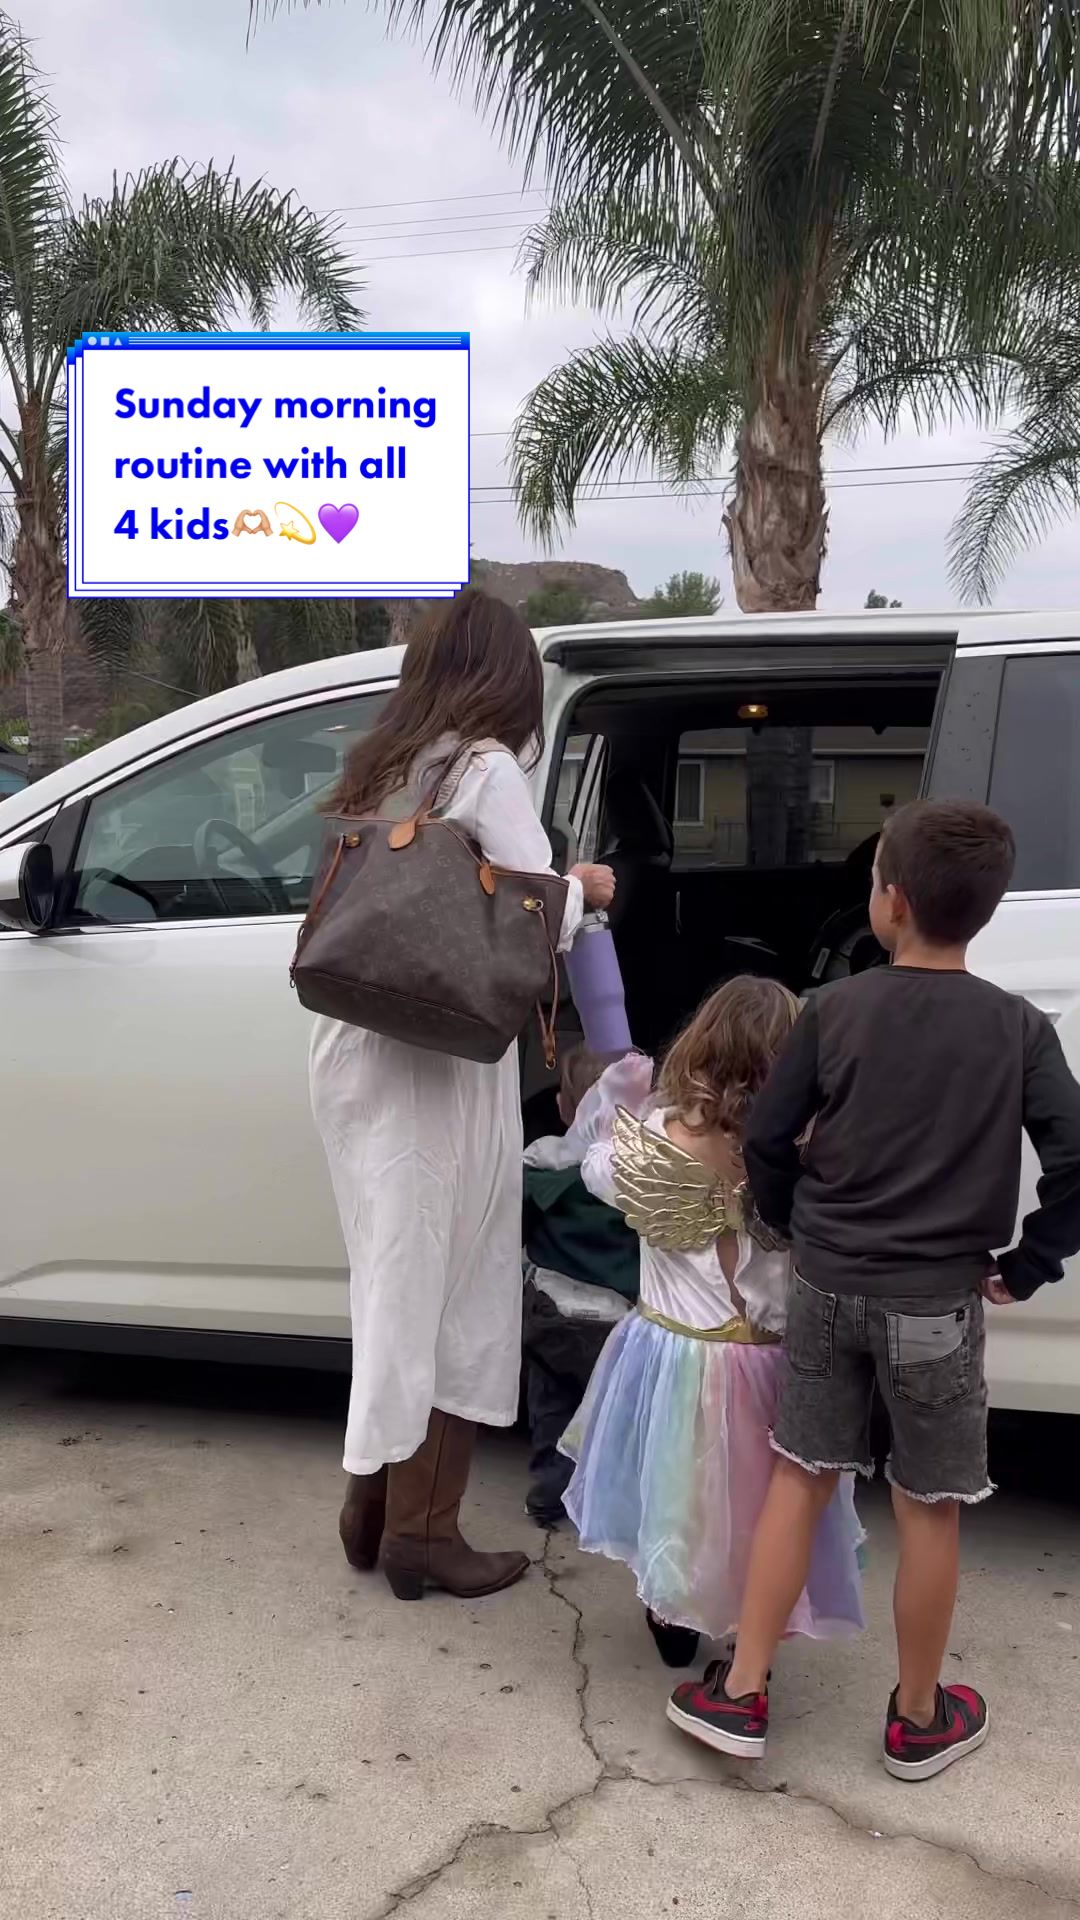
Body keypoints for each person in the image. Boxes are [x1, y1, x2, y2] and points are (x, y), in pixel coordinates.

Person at [668, 800, 1080, 1777]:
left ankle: (741, 1693)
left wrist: (790, 1223)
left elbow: (770, 1140)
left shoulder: (836, 1010)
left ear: (890, 903)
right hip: (937, 1304)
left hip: (826, 1288)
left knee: (801, 1477)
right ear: (982, 910)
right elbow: (1077, 1161)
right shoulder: (1018, 1029)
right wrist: (1027, 1263)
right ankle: (919, 1718)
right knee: (930, 1503)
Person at [312, 588, 615, 1602]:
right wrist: (586, 888)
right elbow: (537, 911)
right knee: (453, 1288)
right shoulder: (483, 767)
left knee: (390, 1280)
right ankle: (424, 1531)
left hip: (357, 1047)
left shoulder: (386, 762)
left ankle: (371, 1502)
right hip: (437, 1060)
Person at [560, 979, 865, 1669]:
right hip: (771, 1360)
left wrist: (620, 1104)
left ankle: (672, 1614)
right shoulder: (808, 1154)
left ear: (700, 1046)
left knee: (677, 1497)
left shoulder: (652, 1139)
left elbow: (595, 1167)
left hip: (671, 1355)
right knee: (763, 1505)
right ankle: (749, 1640)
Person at [522, 1046, 640, 1527]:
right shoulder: (641, 1170)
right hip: (619, 1318)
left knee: (552, 1400)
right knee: (612, 1410)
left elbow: (518, 1223)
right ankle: (604, 1501)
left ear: (563, 1106)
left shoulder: (542, 1157)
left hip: (551, 1311)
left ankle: (551, 1491)